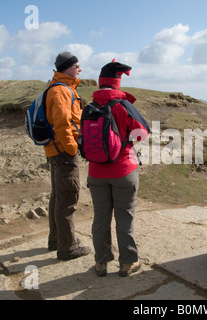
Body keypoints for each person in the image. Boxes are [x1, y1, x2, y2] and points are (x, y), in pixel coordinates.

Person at [87, 60, 150, 277]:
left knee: (100, 217)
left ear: (100, 82)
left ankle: (100, 263)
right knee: (125, 217)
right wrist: (126, 140)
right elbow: (142, 133)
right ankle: (127, 263)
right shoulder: (123, 105)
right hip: (124, 170)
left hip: (96, 172)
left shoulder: (89, 106)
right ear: (117, 83)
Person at [45, 52, 91, 261]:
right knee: (67, 198)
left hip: (56, 151)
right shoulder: (61, 91)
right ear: (67, 67)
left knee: (58, 196)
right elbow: (62, 124)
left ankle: (56, 240)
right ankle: (68, 247)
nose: (80, 69)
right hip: (63, 153)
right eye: (77, 66)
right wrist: (72, 149)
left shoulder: (60, 87)